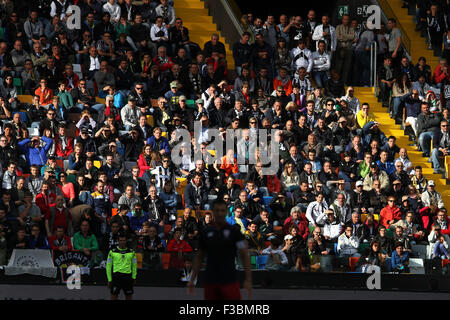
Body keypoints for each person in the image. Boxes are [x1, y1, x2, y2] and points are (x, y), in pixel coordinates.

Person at [188, 199, 252, 300]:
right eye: (217, 210)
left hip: (229, 279)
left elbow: (244, 255)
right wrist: (192, 279)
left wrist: (248, 279)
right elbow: (199, 256)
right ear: (213, 212)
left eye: (222, 210)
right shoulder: (206, 232)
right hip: (210, 280)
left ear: (226, 212)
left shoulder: (234, 232)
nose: (220, 213)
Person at [106, 233, 137, 300]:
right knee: (113, 297)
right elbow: (108, 266)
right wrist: (109, 279)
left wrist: (134, 277)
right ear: (118, 241)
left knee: (129, 297)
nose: (122, 242)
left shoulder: (131, 252)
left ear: (126, 241)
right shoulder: (112, 252)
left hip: (127, 277)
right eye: (121, 240)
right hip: (116, 277)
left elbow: (134, 266)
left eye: (124, 240)